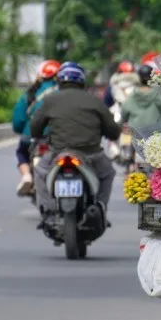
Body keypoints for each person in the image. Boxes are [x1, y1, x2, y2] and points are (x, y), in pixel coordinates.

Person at [32, 62, 121, 223]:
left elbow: (35, 128)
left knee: (39, 171)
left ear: (59, 80)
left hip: (58, 152)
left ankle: (48, 209)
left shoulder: (50, 100)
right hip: (91, 154)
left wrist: (39, 136)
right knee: (108, 173)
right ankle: (100, 206)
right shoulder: (94, 101)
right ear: (81, 81)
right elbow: (113, 131)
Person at [12, 59, 60, 195]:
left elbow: (18, 122)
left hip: (32, 135)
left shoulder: (30, 94)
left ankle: (26, 175)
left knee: (21, 152)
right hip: (59, 136)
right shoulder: (65, 93)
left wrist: (22, 131)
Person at [120, 64, 161, 129]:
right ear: (152, 76)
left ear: (139, 78)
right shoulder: (157, 94)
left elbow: (124, 115)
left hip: (138, 133)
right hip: (157, 132)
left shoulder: (132, 96)